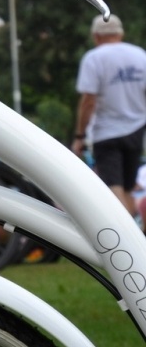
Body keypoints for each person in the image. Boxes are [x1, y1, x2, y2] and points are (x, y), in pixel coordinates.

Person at [72, 13, 146, 225]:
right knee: (128, 188)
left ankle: (129, 241)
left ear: (96, 36)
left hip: (107, 132)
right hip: (136, 129)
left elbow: (88, 101)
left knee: (114, 188)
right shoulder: (140, 55)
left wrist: (80, 135)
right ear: (120, 32)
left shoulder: (94, 58)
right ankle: (138, 240)